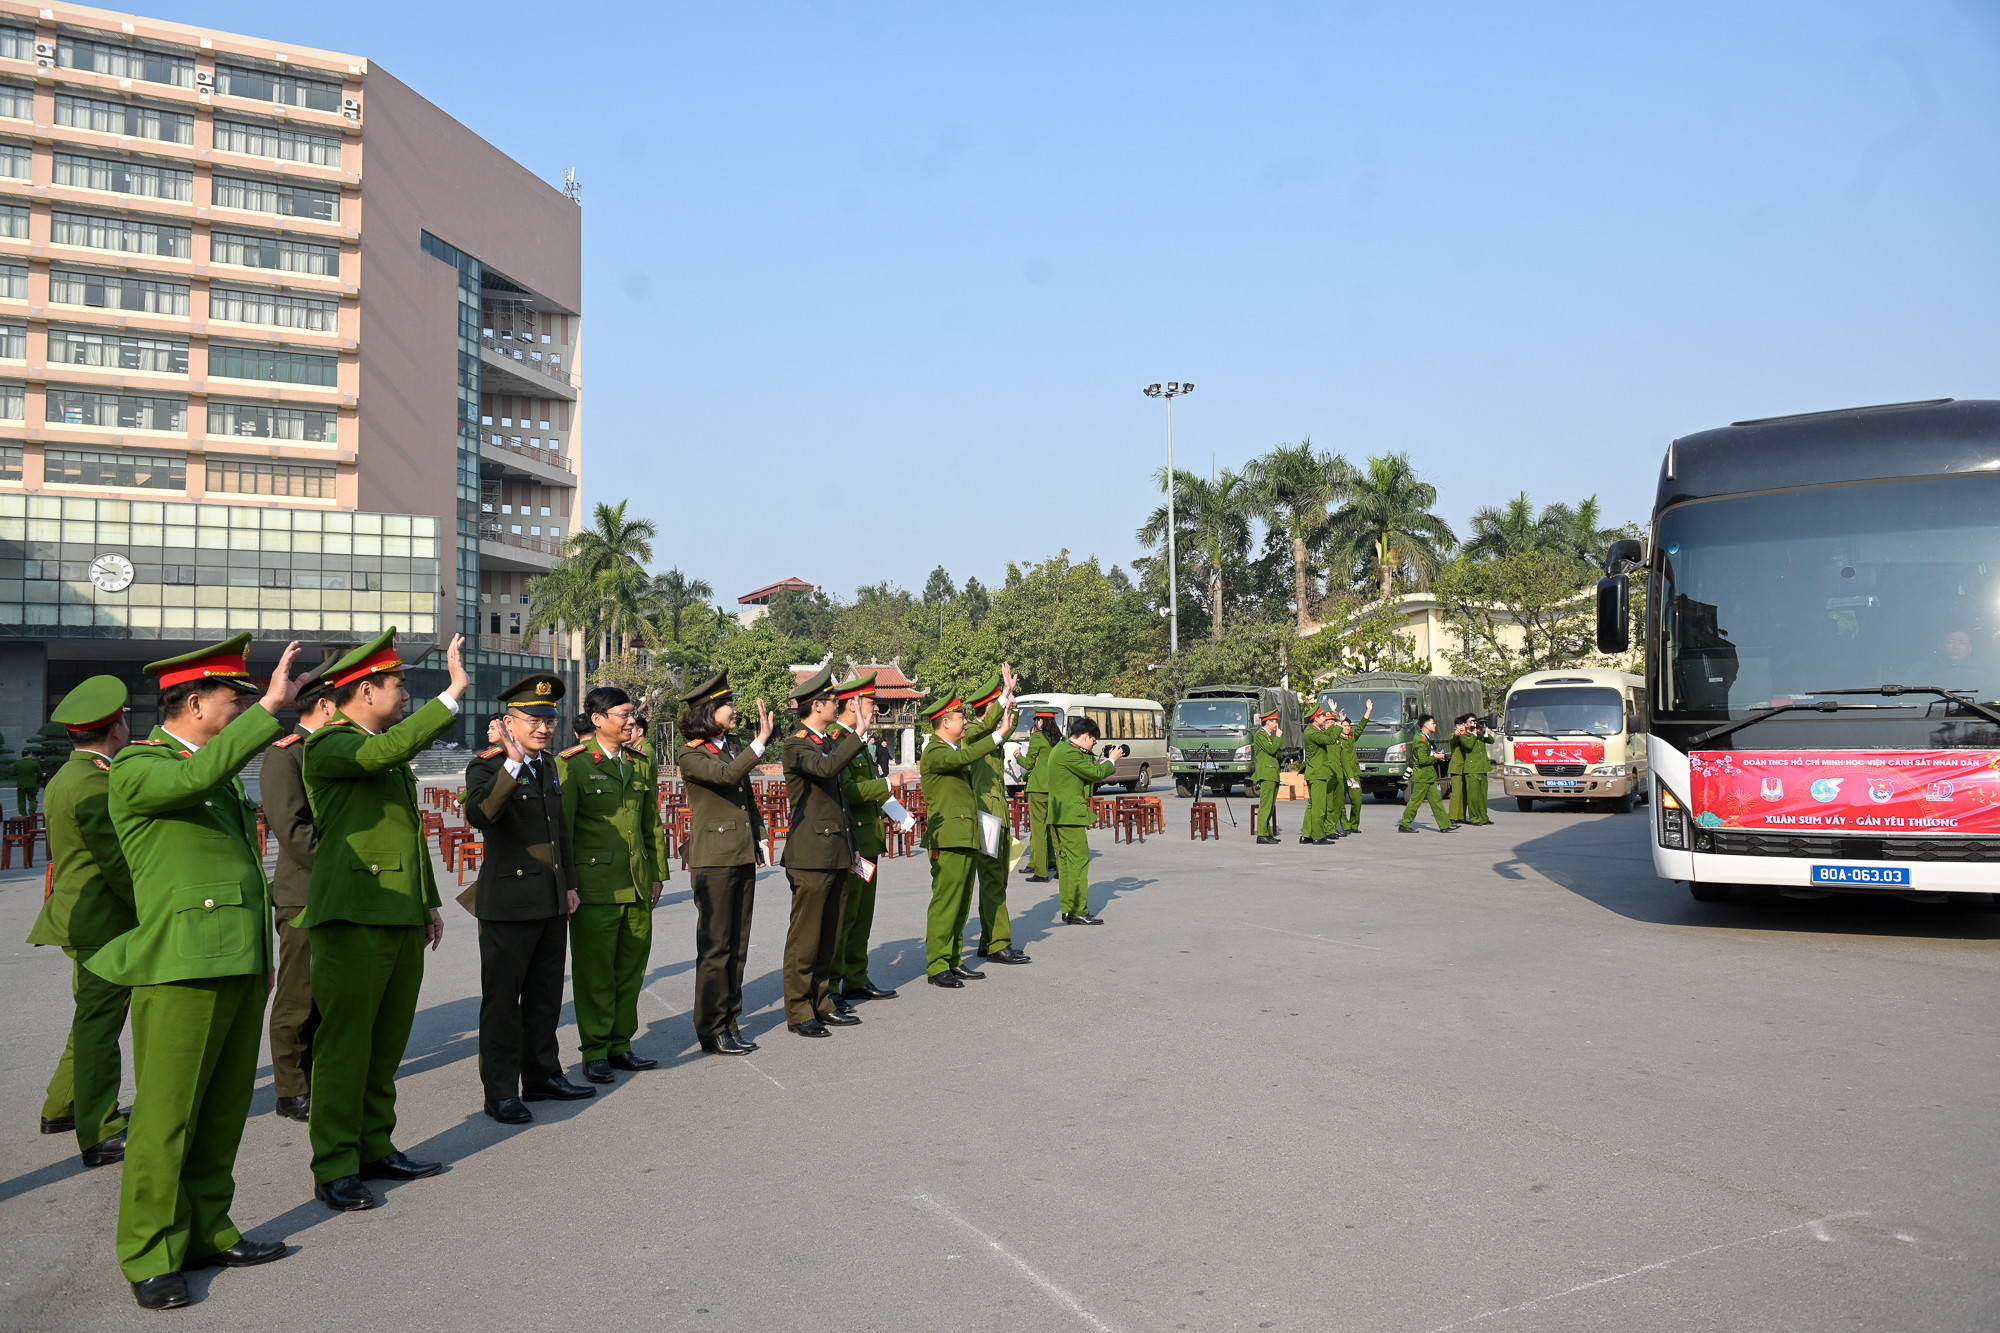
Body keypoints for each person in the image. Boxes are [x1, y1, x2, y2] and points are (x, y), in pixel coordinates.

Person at [91, 634, 306, 1309]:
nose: (242, 706)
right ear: (193, 703)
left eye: (246, 698)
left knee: (219, 1112)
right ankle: (150, 1248)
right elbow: (193, 778)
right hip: (181, 965)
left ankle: (208, 1225)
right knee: (166, 1116)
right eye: (232, 698)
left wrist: (259, 957)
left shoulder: (213, 770)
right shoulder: (139, 765)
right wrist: (269, 711)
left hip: (236, 959)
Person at [298, 630, 468, 1211]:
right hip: (352, 913)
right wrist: (451, 697)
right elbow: (380, 753)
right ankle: (336, 1164)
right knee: (346, 1045)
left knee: (385, 1043)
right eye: (398, 684)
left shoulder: (384, 752)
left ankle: (375, 1144)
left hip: (396, 909)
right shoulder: (330, 745)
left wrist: (425, 901)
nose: (404, 693)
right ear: (364, 689)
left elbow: (406, 834)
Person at [464, 673, 593, 1122]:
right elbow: (481, 814)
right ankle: (500, 1091)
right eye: (532, 719)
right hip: (508, 903)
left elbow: (561, 833)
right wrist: (512, 763)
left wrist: (570, 885)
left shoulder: (551, 766)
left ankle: (542, 1075)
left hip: (551, 899)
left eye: (549, 720)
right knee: (502, 1002)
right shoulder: (486, 765)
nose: (543, 728)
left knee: (544, 997)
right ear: (507, 723)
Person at [27, 675, 134, 1167]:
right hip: (101, 921)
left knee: (89, 1019)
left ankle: (62, 1106)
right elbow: (118, 863)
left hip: (77, 914)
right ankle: (99, 1129)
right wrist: (150, 909)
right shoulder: (95, 781)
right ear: (115, 730)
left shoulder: (66, 776)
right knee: (99, 1026)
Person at [559, 685, 667, 1085]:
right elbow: (564, 832)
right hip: (595, 887)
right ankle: (595, 1050)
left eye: (631, 714)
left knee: (631, 970)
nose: (631, 721)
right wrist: (569, 884)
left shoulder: (639, 763)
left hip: (637, 884)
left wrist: (657, 873)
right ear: (597, 719)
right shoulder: (572, 765)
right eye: (622, 714)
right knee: (595, 973)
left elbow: (650, 823)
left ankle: (621, 1044)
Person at [258, 647, 348, 1124]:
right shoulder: (286, 755)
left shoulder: (334, 750)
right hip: (305, 894)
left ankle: (318, 1072)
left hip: (336, 893)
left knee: (329, 993)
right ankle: (291, 1087)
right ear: (327, 705)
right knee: (299, 995)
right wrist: (345, 872)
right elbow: (294, 832)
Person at [678, 670, 776, 1054]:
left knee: (738, 944)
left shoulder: (731, 747)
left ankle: (731, 1019)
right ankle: (710, 1027)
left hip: (740, 853)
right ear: (708, 711)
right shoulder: (691, 753)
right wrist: (761, 742)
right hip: (713, 860)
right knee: (716, 947)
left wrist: (762, 838)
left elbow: (745, 798)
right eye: (727, 706)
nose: (734, 711)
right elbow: (725, 777)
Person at [779, 663, 873, 1036]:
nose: (838, 704)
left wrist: (851, 848)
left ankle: (822, 1000)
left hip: (836, 850)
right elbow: (824, 769)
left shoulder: (828, 741)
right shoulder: (795, 745)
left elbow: (842, 804)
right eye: (832, 700)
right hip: (810, 854)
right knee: (805, 938)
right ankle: (799, 1010)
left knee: (830, 933)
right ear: (815, 707)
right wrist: (859, 735)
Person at [917, 689, 1012, 986]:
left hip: (965, 835)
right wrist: (998, 736)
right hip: (948, 838)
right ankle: (937, 964)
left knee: (961, 903)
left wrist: (1006, 699)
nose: (965, 721)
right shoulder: (935, 752)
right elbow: (973, 750)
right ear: (946, 722)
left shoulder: (953, 750)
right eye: (960, 717)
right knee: (947, 902)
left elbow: (971, 746)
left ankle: (953, 959)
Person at [830, 672, 899, 1003]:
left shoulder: (859, 742)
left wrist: (897, 815)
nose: (876, 711)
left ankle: (856, 976)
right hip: (850, 842)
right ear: (853, 704)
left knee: (862, 916)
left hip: (868, 841)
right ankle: (832, 983)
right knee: (844, 917)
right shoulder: (838, 741)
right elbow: (847, 790)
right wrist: (889, 784)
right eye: (871, 704)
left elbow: (871, 790)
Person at [964, 668, 1031, 964]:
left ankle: (988, 938)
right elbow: (990, 729)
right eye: (998, 705)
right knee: (992, 879)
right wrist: (1004, 697)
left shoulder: (987, 735)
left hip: (996, 815)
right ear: (988, 709)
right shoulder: (970, 732)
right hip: (985, 817)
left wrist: (1010, 707)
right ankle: (998, 943)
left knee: (998, 878)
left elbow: (1002, 732)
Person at [1046, 716, 1120, 922]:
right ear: (1086, 736)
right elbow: (1095, 774)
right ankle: (1078, 910)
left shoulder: (1061, 750)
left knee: (1067, 863)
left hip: (1059, 814)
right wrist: (1112, 760)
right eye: (1093, 741)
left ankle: (1069, 908)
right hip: (1070, 815)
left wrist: (1093, 754)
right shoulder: (1069, 753)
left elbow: (1083, 772)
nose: (1093, 744)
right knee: (1078, 862)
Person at [1019, 708, 1060, 882]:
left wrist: (1018, 757)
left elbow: (1029, 764)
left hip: (1038, 789)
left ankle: (1041, 872)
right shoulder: (1059, 739)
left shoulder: (1037, 737)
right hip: (1055, 787)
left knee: (1039, 831)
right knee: (1056, 830)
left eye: (1036, 720)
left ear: (1041, 722)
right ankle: (1061, 868)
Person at [1397, 714, 1454, 833]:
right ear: (1426, 725)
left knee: (1436, 801)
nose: (1435, 725)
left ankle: (1444, 825)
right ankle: (1405, 824)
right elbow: (1422, 760)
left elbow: (1429, 754)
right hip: (1423, 776)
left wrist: (1438, 756)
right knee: (1415, 802)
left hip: (1429, 776)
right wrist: (1435, 757)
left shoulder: (1425, 737)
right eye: (1433, 723)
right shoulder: (1420, 740)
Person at [1449, 713, 1494, 827]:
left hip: (1482, 767)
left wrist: (1483, 731)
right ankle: (1473, 817)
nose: (1474, 723)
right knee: (1471, 796)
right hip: (1471, 768)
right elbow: (1468, 745)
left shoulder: (1477, 734)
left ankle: (1483, 817)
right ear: (1465, 724)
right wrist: (1473, 732)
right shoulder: (1465, 735)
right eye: (1471, 721)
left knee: (1482, 795)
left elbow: (1491, 740)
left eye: (1475, 721)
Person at [1301, 708, 1338, 845]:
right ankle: (1318, 835)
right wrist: (1338, 725)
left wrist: (1336, 721)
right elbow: (1330, 739)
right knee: (1319, 806)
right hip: (1317, 773)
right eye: (1322, 716)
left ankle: (1306, 834)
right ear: (1315, 719)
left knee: (1312, 805)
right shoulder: (1312, 733)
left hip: (1314, 772)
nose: (1324, 718)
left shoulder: (1313, 730)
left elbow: (1327, 734)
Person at [1252, 709, 1283, 845]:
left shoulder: (1269, 735)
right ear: (1268, 722)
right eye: (1274, 721)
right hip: (1266, 773)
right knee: (1265, 805)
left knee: (1271, 805)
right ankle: (1262, 834)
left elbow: (1279, 753)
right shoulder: (1261, 735)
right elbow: (1271, 750)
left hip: (1273, 773)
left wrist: (1276, 742)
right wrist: (1278, 738)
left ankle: (1267, 832)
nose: (1276, 724)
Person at [11, 749, 43, 816]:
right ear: (29, 754)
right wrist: (37, 781)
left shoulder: (18, 763)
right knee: (32, 798)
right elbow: (40, 774)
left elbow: (12, 773)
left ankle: (24, 815)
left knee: (21, 800)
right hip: (32, 784)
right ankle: (32, 809)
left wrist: (20, 774)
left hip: (21, 784)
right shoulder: (34, 763)